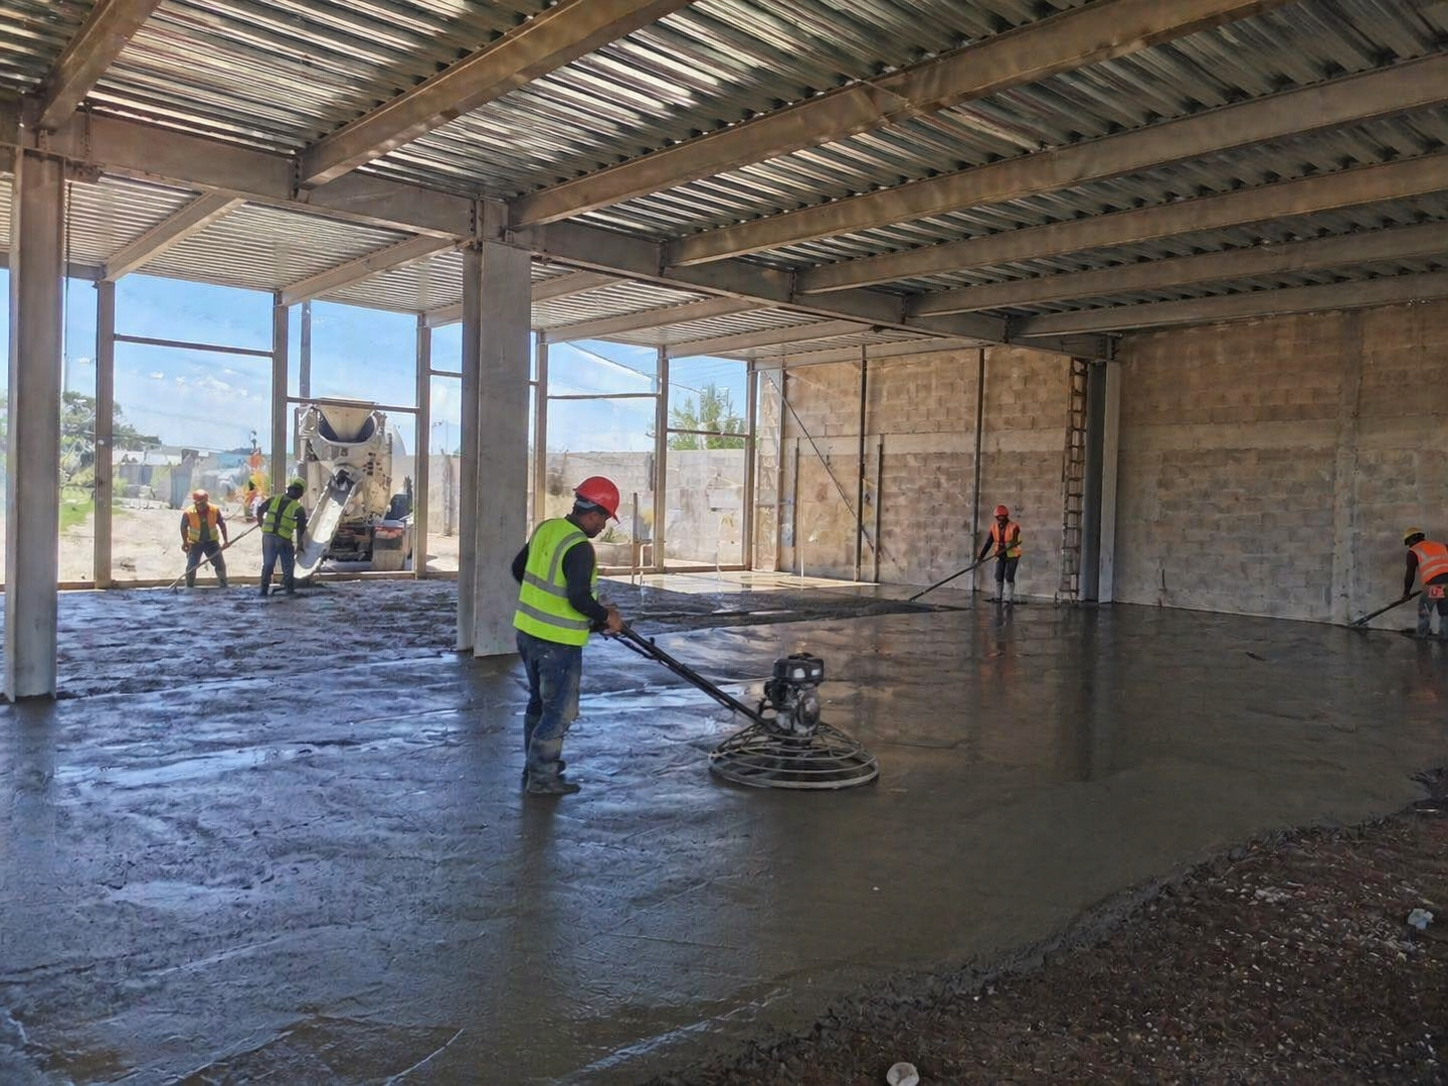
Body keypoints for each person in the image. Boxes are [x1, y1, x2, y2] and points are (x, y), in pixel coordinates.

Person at [511, 476, 626, 796]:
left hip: (527, 633)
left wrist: (544, 602)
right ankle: (544, 777)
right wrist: (607, 617)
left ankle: (532, 769)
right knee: (560, 712)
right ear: (594, 513)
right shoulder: (579, 547)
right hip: (557, 643)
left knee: (538, 702)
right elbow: (577, 598)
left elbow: (518, 569)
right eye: (603, 519)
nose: (603, 526)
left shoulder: (546, 529)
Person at [257, 477, 308, 597]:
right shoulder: (298, 508)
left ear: (289, 489)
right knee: (288, 565)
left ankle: (263, 590)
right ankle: (289, 590)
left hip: (268, 537)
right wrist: (301, 544)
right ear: (300, 493)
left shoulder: (274, 499)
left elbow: (260, 510)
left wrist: (261, 525)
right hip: (283, 539)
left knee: (268, 564)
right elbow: (302, 528)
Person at [1402, 527, 1448, 639]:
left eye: (1409, 543)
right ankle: (1445, 638)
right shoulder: (1442, 545)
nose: (1410, 546)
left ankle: (1421, 638)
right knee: (1445, 613)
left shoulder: (1414, 551)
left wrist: (1406, 593)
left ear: (1412, 540)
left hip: (1434, 585)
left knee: (1424, 611)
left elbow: (1410, 574)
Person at [180, 488, 229, 588]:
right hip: (195, 543)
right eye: (199, 504)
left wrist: (226, 541)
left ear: (207, 501)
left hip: (211, 543)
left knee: (220, 565)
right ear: (195, 503)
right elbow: (183, 527)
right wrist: (185, 542)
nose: (202, 506)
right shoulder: (188, 512)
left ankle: (223, 586)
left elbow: (222, 525)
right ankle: (189, 587)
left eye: (204, 503)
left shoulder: (214, 510)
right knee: (191, 567)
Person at [978, 504, 1023, 604]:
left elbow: (1015, 541)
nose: (1001, 519)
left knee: (1008, 576)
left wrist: (1007, 546)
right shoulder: (994, 527)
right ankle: (998, 597)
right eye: (999, 517)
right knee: (998, 576)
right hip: (1000, 556)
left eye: (1003, 517)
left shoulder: (1014, 527)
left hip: (1012, 556)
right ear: (996, 517)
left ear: (1006, 516)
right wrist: (981, 557)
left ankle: (1008, 598)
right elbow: (988, 543)